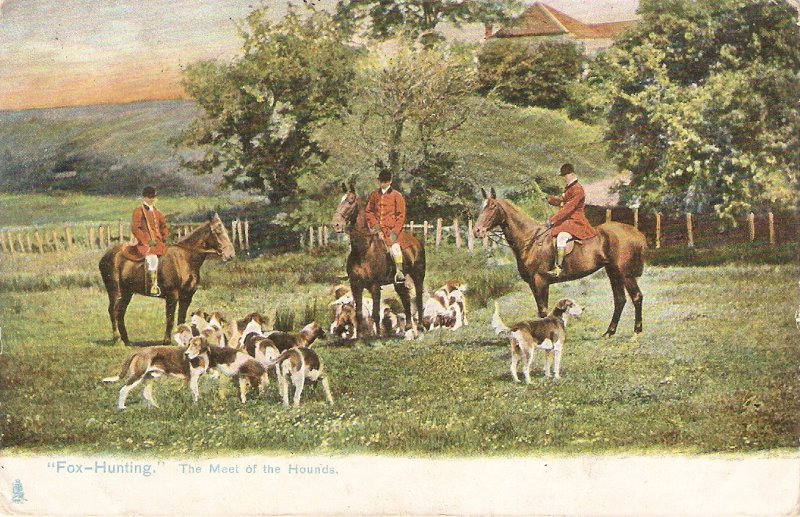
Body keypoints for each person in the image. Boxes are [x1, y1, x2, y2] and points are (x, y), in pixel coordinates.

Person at [545, 163, 597, 277]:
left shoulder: (578, 189)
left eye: (566, 175)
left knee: (561, 237)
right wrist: (552, 199)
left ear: (573, 174)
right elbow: (563, 202)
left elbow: (569, 208)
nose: (564, 178)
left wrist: (553, 220)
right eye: (563, 175)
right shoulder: (569, 188)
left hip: (576, 221)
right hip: (567, 221)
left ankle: (558, 268)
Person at [365, 167, 406, 284]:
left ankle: (399, 272)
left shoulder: (397, 196)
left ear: (390, 181)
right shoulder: (374, 195)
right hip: (376, 229)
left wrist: (394, 232)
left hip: (391, 231)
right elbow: (368, 211)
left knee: (395, 248)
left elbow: (401, 216)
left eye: (385, 181)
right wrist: (376, 227)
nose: (382, 184)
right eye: (381, 181)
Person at [131, 186, 169, 296]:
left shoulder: (157, 212)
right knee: (152, 260)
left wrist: (164, 236)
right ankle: (153, 286)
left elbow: (163, 226)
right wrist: (146, 241)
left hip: (158, 243)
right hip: (146, 244)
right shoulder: (139, 211)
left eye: (153, 197)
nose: (151, 199)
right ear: (144, 198)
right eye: (149, 197)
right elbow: (135, 228)